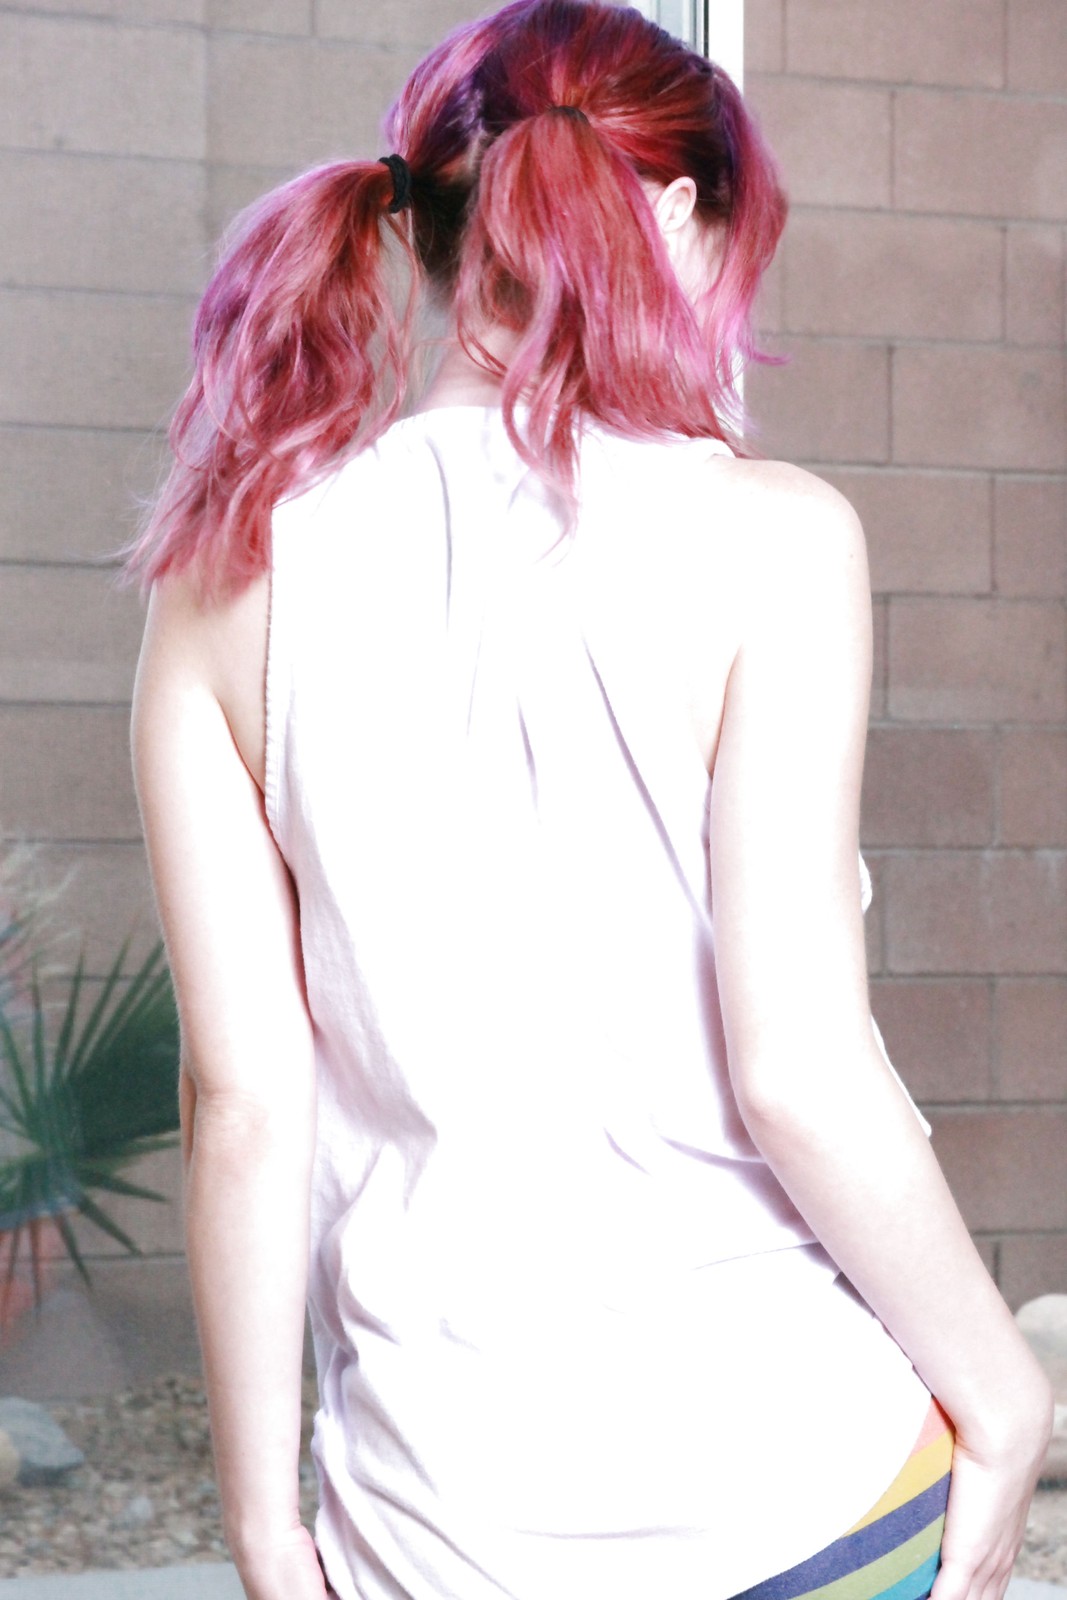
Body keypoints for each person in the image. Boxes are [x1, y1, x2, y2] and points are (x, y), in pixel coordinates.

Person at [127, 4, 1054, 1599]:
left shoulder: (225, 587)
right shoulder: (777, 541)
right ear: (679, 215)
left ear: (426, 226)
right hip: (800, 1508)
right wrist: (1008, 1393)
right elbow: (800, 1076)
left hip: (433, 1539)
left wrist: (265, 1528)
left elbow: (246, 1109)